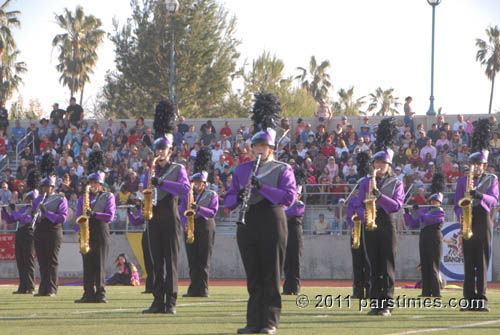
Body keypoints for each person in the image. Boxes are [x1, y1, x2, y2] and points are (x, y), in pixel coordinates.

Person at [225, 92, 296, 335]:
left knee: (271, 273)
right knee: (253, 274)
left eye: (264, 146)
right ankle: (253, 321)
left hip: (272, 220)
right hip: (248, 221)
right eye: (256, 146)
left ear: (271, 148)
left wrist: (262, 187)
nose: (259, 150)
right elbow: (229, 198)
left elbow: (288, 198)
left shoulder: (282, 168)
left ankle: (269, 322)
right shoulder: (242, 169)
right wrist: (240, 194)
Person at [143, 100, 190, 315]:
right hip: (153, 217)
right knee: (156, 262)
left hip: (170, 216)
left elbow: (184, 189)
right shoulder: (151, 171)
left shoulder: (178, 168)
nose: (160, 153)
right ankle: (157, 300)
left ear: (170, 152)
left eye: (163, 150)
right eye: (157, 149)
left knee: (170, 261)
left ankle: (170, 302)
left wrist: (163, 184)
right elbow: (146, 191)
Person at [354, 118, 404, 316]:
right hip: (369, 222)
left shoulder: (396, 183)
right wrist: (364, 214)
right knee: (373, 265)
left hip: (386, 222)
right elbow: (358, 202)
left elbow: (397, 206)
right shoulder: (366, 181)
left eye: (382, 162)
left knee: (387, 265)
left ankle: (387, 303)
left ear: (388, 165)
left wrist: (380, 197)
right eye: (376, 162)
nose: (379, 165)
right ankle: (375, 303)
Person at [454, 119, 498, 311]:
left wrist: (479, 195)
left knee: (481, 262)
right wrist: (460, 216)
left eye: (479, 164)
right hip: (468, 218)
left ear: (485, 164)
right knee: (468, 262)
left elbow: (494, 200)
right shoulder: (463, 180)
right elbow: (456, 203)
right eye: (473, 163)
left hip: (483, 218)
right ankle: (469, 299)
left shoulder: (491, 179)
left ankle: (481, 299)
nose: (476, 166)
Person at [75, 150, 116, 303]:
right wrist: (79, 232)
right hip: (87, 232)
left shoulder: (108, 196)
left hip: (101, 231)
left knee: (99, 265)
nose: (93, 186)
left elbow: (110, 216)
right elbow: (79, 216)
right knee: (87, 265)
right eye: (91, 184)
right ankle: (88, 294)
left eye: (95, 184)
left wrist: (95, 214)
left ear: (100, 185)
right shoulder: (83, 198)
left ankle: (100, 294)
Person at [183, 147, 218, 297]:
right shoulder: (188, 194)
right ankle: (193, 288)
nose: (195, 184)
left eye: (198, 182)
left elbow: (213, 212)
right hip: (191, 225)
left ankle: (203, 289)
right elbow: (181, 208)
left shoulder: (211, 194)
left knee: (203, 259)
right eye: (194, 182)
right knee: (192, 259)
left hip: (206, 226)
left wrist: (199, 209)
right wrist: (185, 219)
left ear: (203, 183)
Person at [32, 154, 68, 297]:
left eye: (49, 187)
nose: (46, 189)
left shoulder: (60, 198)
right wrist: (35, 213)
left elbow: (62, 217)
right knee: (42, 260)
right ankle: (43, 288)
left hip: (53, 230)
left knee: (52, 260)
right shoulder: (38, 199)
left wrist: (47, 213)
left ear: (53, 187)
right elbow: (33, 213)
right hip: (40, 230)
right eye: (44, 187)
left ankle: (52, 288)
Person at [404, 173, 445, 297]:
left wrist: (417, 211)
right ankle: (426, 291)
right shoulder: (427, 210)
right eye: (432, 200)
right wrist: (407, 212)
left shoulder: (440, 212)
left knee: (433, 266)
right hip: (424, 237)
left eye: (436, 201)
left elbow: (427, 220)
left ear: (440, 202)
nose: (433, 202)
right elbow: (413, 223)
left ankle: (436, 292)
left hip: (434, 238)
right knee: (425, 265)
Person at [2, 189, 38, 294]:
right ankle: (22, 287)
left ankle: (30, 287)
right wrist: (4, 211)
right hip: (20, 233)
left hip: (29, 233)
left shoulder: (34, 210)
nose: (29, 200)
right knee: (20, 261)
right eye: (28, 198)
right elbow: (10, 219)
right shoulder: (24, 208)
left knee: (28, 261)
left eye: (31, 199)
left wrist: (13, 210)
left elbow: (25, 219)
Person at [347, 151, 372, 299]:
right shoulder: (353, 201)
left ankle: (369, 290)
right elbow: (350, 217)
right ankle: (357, 291)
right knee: (357, 262)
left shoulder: (368, 201)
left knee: (368, 262)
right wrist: (357, 221)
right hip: (356, 231)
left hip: (367, 229)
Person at [282, 169, 305, 295]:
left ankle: (295, 287)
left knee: (295, 260)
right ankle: (287, 287)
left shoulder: (299, 204)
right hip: (286, 230)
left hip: (295, 231)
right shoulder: (285, 204)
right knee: (286, 260)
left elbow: (293, 213)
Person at [127, 202, 153, 293]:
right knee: (147, 262)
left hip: (154, 235)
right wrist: (129, 213)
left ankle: (155, 286)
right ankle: (149, 287)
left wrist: (138, 210)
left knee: (153, 262)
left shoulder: (154, 211)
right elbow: (135, 222)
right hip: (146, 234)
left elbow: (144, 217)